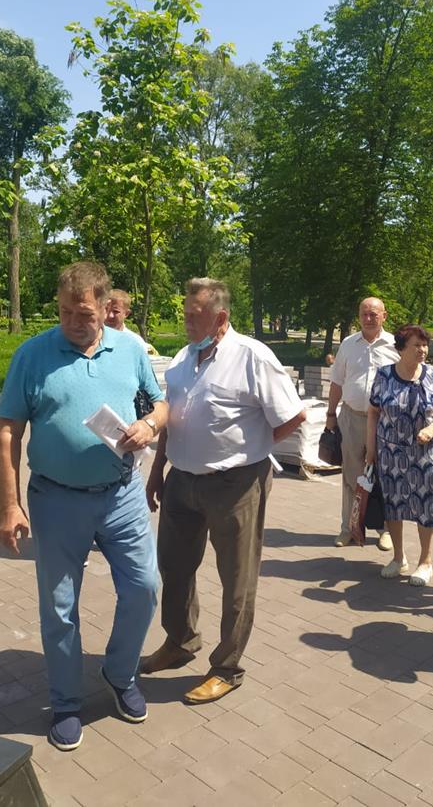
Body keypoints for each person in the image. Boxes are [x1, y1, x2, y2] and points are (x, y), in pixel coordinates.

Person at [0, 262, 167, 751]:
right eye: (65, 312)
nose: (72, 321)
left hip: (122, 494)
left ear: (106, 307)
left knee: (144, 588)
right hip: (56, 500)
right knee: (60, 607)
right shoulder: (32, 355)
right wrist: (9, 505)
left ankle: (119, 672)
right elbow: (8, 431)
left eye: (84, 313)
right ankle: (66, 701)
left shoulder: (129, 349)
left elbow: (161, 404)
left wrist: (149, 426)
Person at [141, 278, 305, 704]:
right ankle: (180, 641)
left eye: (195, 316)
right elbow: (172, 417)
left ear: (221, 318)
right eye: (185, 314)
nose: (187, 322)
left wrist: (252, 450)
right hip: (181, 480)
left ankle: (227, 668)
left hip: (236, 484)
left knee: (236, 578)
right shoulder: (183, 358)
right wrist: (158, 470)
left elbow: (293, 416)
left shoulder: (252, 356)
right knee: (174, 566)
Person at [366, 325, 433, 586]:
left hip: (425, 456)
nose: (422, 350)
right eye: (416, 345)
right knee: (393, 505)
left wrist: (432, 428)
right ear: (401, 348)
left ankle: (425, 561)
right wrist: (370, 450)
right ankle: (398, 557)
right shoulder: (384, 375)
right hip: (390, 454)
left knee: (426, 506)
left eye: (425, 345)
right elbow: (373, 412)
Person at [326, 297, 399, 549]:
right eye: (364, 314)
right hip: (352, 417)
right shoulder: (348, 344)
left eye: (373, 314)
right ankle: (348, 528)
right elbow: (337, 381)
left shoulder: (395, 345)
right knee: (351, 475)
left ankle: (386, 530)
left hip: (385, 421)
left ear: (384, 316)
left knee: (385, 475)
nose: (368, 319)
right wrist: (330, 415)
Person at [105, 288, 157, 355]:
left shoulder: (136, 343)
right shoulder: (93, 340)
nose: (110, 315)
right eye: (106, 309)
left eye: (116, 311)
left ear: (126, 314)